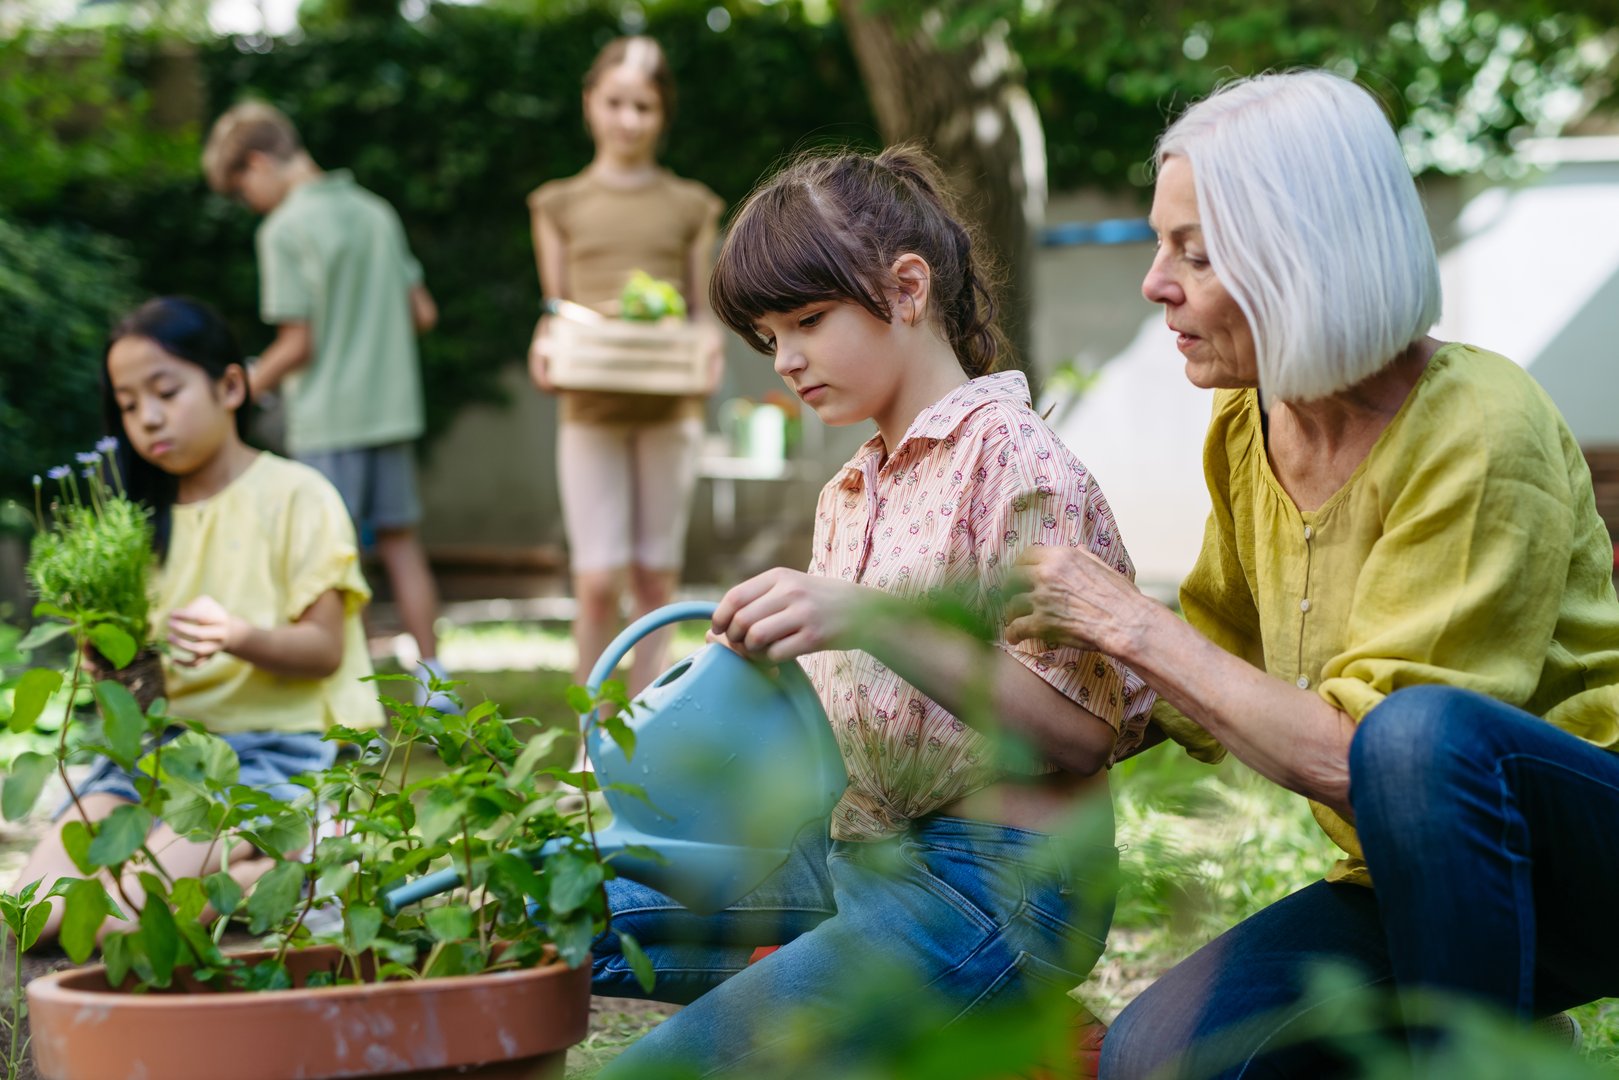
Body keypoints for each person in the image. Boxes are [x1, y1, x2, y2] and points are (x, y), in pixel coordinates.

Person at [1000, 70, 1619, 1078]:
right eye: (1162, 245)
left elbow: (1364, 761)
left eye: (1192, 254)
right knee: (1154, 1059)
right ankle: (1490, 1007)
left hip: (1585, 858)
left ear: (1303, 257)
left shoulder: (1479, 427)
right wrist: (1016, 680)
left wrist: (1125, 624)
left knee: (1412, 739)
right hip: (1404, 879)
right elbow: (1214, 665)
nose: (1153, 283)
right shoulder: (1252, 419)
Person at [586, 144, 1156, 1076]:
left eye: (807, 320)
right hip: (853, 861)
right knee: (551, 908)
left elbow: (1081, 736)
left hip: (997, 886)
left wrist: (867, 618)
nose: (788, 359)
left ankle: (1024, 1041)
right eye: (769, 336)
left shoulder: (1016, 463)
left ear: (906, 289)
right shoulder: (853, 486)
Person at [21, 296, 383, 941]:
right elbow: (121, 705)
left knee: (130, 919)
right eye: (129, 405)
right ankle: (258, 866)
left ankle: (289, 869)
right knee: (32, 912)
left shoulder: (297, 494)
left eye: (165, 391)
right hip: (157, 756)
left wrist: (237, 636)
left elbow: (326, 649)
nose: (149, 417)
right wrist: (107, 667)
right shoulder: (129, 525)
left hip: (269, 753)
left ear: (232, 385)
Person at [201, 102, 452, 703]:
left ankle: (356, 694)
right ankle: (437, 688)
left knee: (334, 564)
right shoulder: (375, 210)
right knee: (401, 545)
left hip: (328, 421)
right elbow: (423, 313)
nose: (248, 203)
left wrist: (239, 388)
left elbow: (299, 343)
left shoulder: (284, 229)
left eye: (242, 190)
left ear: (259, 164)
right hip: (391, 412)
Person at [526, 35, 725, 693]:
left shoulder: (692, 205)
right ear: (589, 103)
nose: (627, 120)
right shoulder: (557, 204)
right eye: (614, 103)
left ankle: (647, 727)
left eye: (642, 105)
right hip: (591, 407)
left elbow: (701, 309)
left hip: (669, 409)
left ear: (663, 111)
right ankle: (591, 735)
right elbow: (555, 307)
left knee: (654, 578)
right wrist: (544, 340)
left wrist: (711, 346)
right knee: (593, 581)